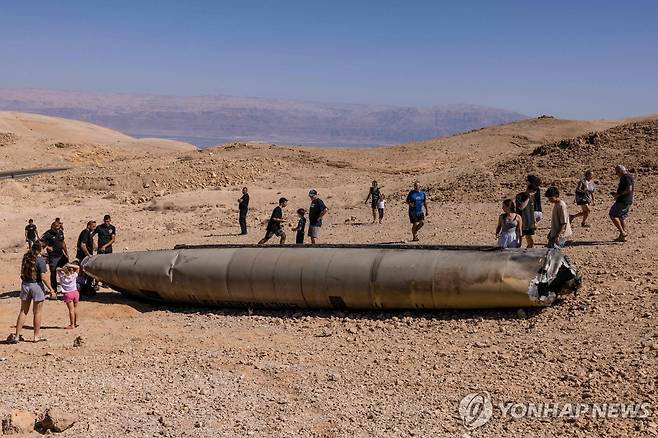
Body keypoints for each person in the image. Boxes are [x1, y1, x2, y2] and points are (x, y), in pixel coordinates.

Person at [8, 242, 53, 343]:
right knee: (37, 312)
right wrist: (51, 289)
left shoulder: (26, 257)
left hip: (25, 285)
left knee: (23, 311)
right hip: (36, 286)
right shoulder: (40, 260)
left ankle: (17, 336)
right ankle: (36, 336)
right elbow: (43, 277)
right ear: (41, 248)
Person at [41, 221, 68, 293]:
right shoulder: (47, 234)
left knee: (66, 270)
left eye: (58, 228)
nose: (57, 230)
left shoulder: (60, 232)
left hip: (61, 255)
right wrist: (44, 250)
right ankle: (54, 290)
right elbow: (40, 244)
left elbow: (63, 243)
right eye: (56, 229)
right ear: (52, 228)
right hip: (53, 257)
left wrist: (66, 253)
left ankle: (67, 287)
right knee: (53, 273)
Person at [609, 165, 634, 242]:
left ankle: (623, 233)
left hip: (624, 201)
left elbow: (629, 189)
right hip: (626, 200)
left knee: (612, 215)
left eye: (617, 172)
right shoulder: (627, 177)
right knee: (621, 217)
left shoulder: (626, 177)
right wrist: (617, 194)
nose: (617, 174)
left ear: (620, 171)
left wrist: (618, 195)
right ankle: (622, 237)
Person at [57, 263, 80, 329]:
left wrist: (64, 267)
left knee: (71, 310)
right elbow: (78, 267)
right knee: (75, 308)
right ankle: (75, 323)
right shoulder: (73, 275)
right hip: (75, 292)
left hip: (68, 294)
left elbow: (57, 269)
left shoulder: (62, 276)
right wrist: (69, 265)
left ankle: (72, 325)